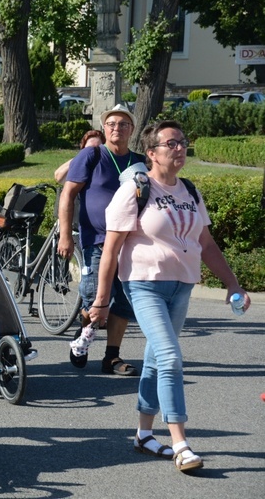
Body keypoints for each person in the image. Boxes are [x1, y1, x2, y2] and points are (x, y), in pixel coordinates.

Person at [88, 120, 250, 473]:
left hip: (182, 286)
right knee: (171, 357)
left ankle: (144, 435)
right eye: (171, 143)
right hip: (144, 285)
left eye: (183, 142)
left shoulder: (189, 191)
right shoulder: (136, 188)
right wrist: (101, 300)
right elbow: (111, 248)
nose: (180, 148)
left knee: (157, 361)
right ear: (152, 153)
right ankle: (181, 444)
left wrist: (233, 284)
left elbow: (206, 244)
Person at [58, 104, 144, 376]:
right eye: (112, 124)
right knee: (94, 297)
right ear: (104, 128)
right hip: (97, 239)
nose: (117, 128)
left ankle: (112, 357)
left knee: (123, 302)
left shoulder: (140, 161)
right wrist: (65, 235)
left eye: (123, 124)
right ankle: (83, 335)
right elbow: (68, 195)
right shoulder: (92, 155)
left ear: (131, 129)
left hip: (132, 243)